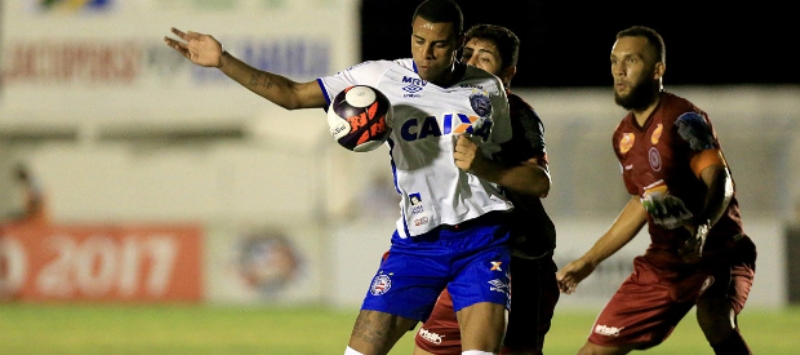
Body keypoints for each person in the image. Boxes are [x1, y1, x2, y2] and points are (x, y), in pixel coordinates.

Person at [164, 1, 546, 354]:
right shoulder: (380, 76)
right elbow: (293, 95)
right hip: (417, 245)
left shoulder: (488, 89)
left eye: (439, 45)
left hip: (481, 241)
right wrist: (223, 61)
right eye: (419, 40)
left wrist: (485, 167)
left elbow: (520, 173)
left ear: (458, 43)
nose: (426, 53)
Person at [555, 26, 757, 355]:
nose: (619, 71)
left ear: (657, 70)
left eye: (631, 61)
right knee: (592, 352)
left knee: (715, 318)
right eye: (614, 61)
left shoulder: (683, 120)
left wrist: (704, 227)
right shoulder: (623, 136)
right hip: (666, 264)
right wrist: (588, 261)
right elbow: (642, 201)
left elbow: (720, 180)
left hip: (719, 252)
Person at [412, 24, 558, 355]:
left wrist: (485, 167)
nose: (473, 62)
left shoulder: (516, 113)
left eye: (485, 58)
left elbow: (539, 182)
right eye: (467, 55)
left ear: (507, 73)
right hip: (465, 259)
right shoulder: (442, 107)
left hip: (518, 264)